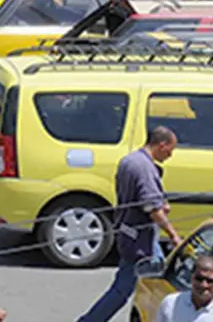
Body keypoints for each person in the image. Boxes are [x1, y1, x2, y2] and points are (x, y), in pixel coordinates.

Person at [77, 127, 181, 322]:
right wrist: (174, 235)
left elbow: (139, 198)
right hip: (138, 239)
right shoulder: (144, 167)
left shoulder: (130, 160)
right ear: (162, 145)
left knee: (160, 272)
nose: (170, 155)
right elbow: (151, 207)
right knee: (124, 289)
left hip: (131, 232)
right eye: (170, 150)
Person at [157, 255, 213, 322]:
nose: (203, 285)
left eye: (210, 281)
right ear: (192, 278)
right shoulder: (170, 303)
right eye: (199, 278)